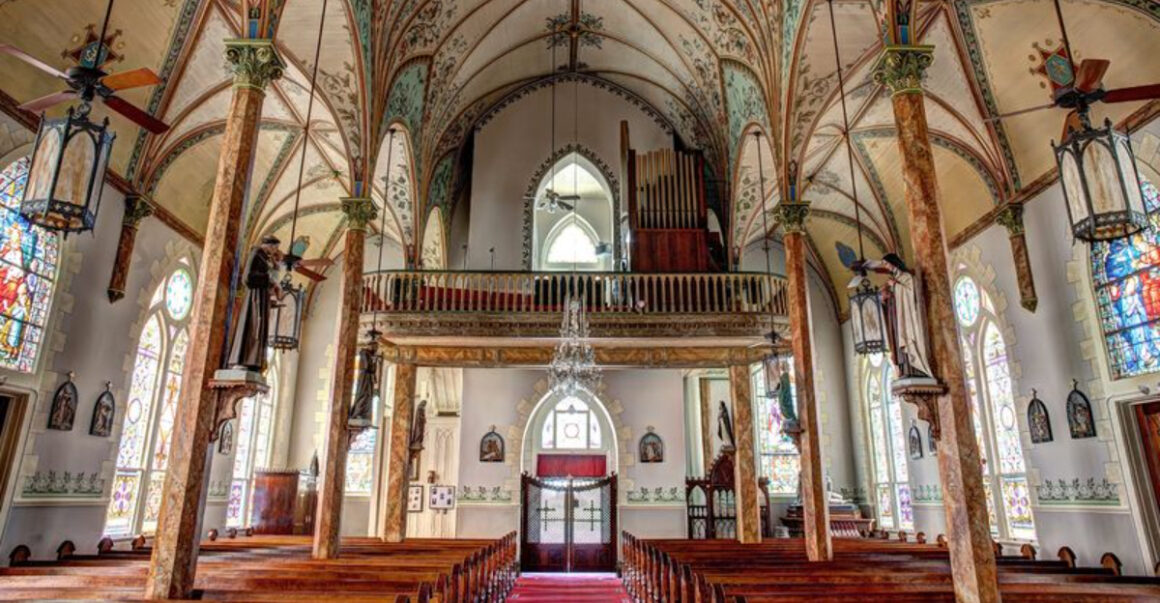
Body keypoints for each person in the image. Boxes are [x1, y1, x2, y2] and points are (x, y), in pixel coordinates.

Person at [863, 253, 933, 380]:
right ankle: (904, 368)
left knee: (906, 338)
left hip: (906, 317)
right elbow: (893, 298)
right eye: (884, 264)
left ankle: (914, 368)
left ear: (893, 262)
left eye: (886, 263)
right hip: (897, 317)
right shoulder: (893, 279)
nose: (886, 267)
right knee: (897, 341)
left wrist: (895, 285)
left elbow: (910, 293)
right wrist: (886, 296)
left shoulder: (906, 277)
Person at [228, 237, 282, 373]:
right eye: (274, 247)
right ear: (268, 245)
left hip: (262, 296)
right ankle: (242, 360)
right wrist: (269, 280)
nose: (275, 251)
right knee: (251, 326)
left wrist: (272, 279)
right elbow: (248, 278)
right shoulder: (256, 253)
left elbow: (269, 276)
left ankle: (253, 362)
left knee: (258, 327)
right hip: (255, 297)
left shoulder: (265, 258)